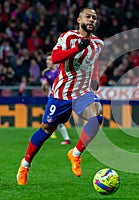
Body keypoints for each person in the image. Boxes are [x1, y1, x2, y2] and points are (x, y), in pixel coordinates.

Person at [17, 7, 104, 185]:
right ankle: (25, 165)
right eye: (88, 17)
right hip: (61, 94)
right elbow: (55, 58)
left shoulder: (98, 44)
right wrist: (77, 49)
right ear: (79, 20)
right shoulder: (68, 37)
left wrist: (95, 80)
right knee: (47, 130)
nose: (91, 20)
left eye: (94, 18)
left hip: (83, 93)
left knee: (97, 115)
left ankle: (75, 153)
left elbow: (93, 64)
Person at [41, 52, 71, 145]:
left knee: (54, 118)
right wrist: (44, 85)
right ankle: (65, 138)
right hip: (52, 96)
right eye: (47, 60)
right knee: (53, 118)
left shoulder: (61, 70)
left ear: (54, 61)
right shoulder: (45, 73)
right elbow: (44, 89)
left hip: (63, 96)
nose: (47, 61)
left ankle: (53, 133)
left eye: (49, 60)